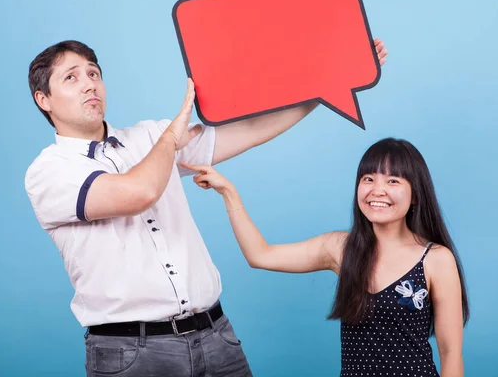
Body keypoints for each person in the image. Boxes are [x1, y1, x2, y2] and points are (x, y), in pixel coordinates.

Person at [24, 39, 389, 376]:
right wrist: (171, 136)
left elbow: (246, 131)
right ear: (44, 99)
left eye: (94, 73)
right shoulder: (49, 172)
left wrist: (326, 88)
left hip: (216, 337)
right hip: (131, 353)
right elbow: (139, 192)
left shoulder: (150, 137)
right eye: (71, 78)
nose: (89, 84)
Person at [181, 137, 469, 377]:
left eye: (393, 181)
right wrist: (229, 194)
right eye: (368, 178)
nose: (377, 190)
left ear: (415, 195)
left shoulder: (435, 259)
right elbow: (261, 255)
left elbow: (450, 352)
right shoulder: (341, 248)